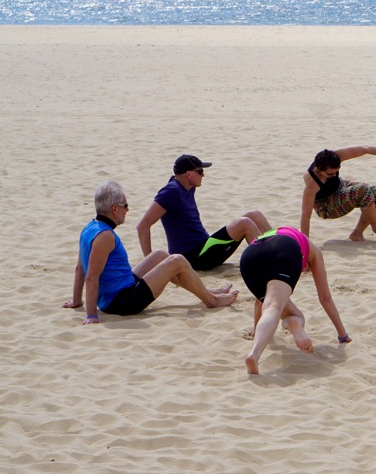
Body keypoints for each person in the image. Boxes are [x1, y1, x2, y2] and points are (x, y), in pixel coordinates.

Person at [64, 181, 239, 324]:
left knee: (161, 255)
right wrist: (91, 316)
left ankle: (205, 291)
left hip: (122, 288)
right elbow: (91, 276)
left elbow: (80, 268)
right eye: (125, 206)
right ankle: (211, 300)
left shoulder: (89, 228)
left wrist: (76, 301)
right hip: (123, 301)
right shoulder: (105, 236)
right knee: (177, 260)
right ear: (114, 209)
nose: (127, 210)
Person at [241, 226, 350, 375]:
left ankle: (293, 322)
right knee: (274, 306)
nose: (305, 270)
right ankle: (254, 354)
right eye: (308, 269)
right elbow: (325, 298)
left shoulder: (284, 232)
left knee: (272, 304)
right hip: (285, 248)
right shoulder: (314, 251)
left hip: (249, 255)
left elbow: (259, 301)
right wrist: (343, 336)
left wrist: (256, 330)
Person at [137, 154, 271, 270]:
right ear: (188, 174)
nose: (203, 175)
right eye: (200, 171)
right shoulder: (171, 192)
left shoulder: (187, 187)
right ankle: (270, 262)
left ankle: (279, 250)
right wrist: (150, 261)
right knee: (245, 223)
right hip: (192, 257)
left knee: (254, 215)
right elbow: (142, 226)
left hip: (204, 247)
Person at [301, 146, 376, 241]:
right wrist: (306, 246)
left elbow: (365, 149)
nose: (334, 175)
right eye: (330, 174)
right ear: (319, 171)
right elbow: (306, 217)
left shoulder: (333, 156)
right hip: (326, 207)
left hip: (340, 187)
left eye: (336, 172)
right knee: (362, 190)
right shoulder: (312, 184)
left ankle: (357, 233)